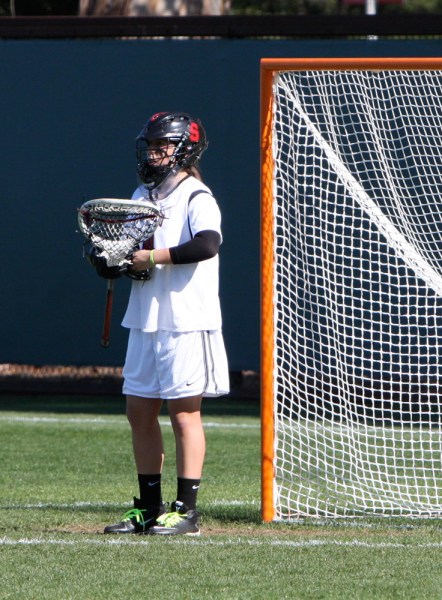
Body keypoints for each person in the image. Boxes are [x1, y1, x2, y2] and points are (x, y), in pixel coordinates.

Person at [88, 112, 229, 536]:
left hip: (185, 318)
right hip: (146, 319)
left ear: (184, 149)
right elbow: (128, 250)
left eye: (162, 146)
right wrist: (111, 262)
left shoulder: (195, 195)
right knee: (138, 411)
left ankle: (186, 511)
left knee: (184, 414)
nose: (154, 153)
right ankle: (148, 508)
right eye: (150, 146)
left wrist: (152, 258)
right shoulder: (142, 193)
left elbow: (208, 243)